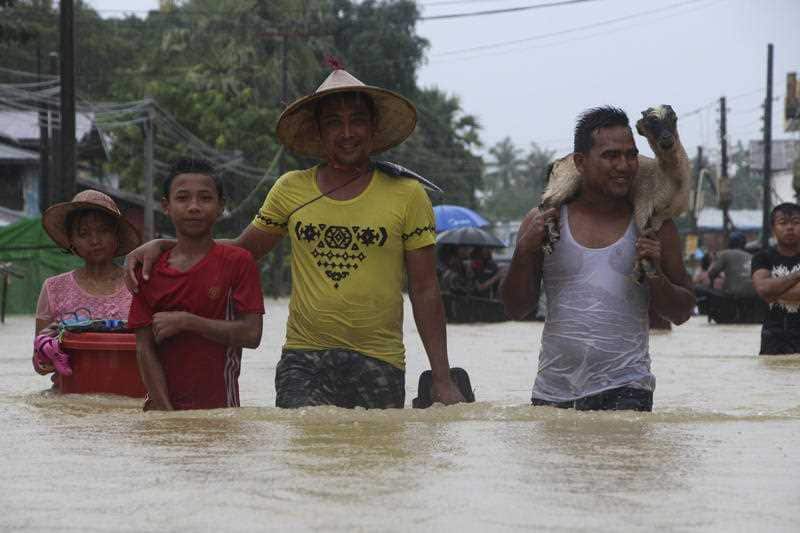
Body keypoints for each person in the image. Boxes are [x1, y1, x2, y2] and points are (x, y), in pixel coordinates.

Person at [125, 68, 465, 408]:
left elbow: (424, 290)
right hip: (303, 359)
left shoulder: (408, 194)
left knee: (371, 458)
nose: (347, 133)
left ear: (373, 128)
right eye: (333, 122)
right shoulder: (291, 188)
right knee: (302, 456)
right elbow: (243, 250)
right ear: (319, 132)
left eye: (357, 120)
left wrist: (441, 377)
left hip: (380, 360)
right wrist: (166, 244)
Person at [501, 106, 694, 411]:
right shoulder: (544, 222)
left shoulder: (654, 227)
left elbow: (682, 313)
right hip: (553, 393)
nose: (624, 165)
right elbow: (515, 308)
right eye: (610, 156)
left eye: (631, 155)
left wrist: (654, 273)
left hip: (628, 389)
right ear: (579, 162)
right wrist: (524, 251)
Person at [128, 159, 264, 410]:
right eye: (182, 198)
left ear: (221, 206)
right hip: (160, 412)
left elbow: (252, 335)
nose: (193, 207)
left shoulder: (238, 262)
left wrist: (188, 322)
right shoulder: (148, 268)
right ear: (166, 206)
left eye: (205, 198)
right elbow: (144, 349)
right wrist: (168, 416)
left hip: (220, 413)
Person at [34, 190, 142, 378]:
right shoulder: (53, 289)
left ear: (116, 236)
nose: (95, 241)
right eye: (84, 233)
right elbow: (40, 363)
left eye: (103, 231)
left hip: (129, 390)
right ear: (72, 242)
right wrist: (45, 354)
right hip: (71, 396)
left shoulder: (138, 283)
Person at [751, 203, 800, 355]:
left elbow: (768, 291)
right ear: (773, 229)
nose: (790, 227)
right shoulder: (762, 257)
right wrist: (797, 275)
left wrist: (774, 292)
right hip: (773, 337)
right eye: (783, 223)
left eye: (796, 222)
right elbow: (763, 289)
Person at [707, 232, 755, 298]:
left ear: (730, 243)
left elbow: (711, 273)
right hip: (753, 295)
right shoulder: (751, 256)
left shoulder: (725, 254)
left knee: (700, 289)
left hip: (734, 295)